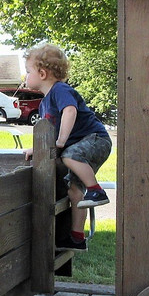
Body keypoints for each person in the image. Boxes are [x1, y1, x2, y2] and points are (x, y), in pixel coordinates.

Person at [22, 44, 112, 252]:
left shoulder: (60, 90)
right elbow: (48, 135)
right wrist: (38, 150)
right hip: (82, 146)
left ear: (42, 73)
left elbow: (70, 112)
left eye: (28, 71)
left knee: (69, 157)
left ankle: (97, 191)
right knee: (73, 190)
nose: (25, 76)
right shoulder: (45, 103)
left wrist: (61, 142)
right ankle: (77, 237)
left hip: (95, 139)